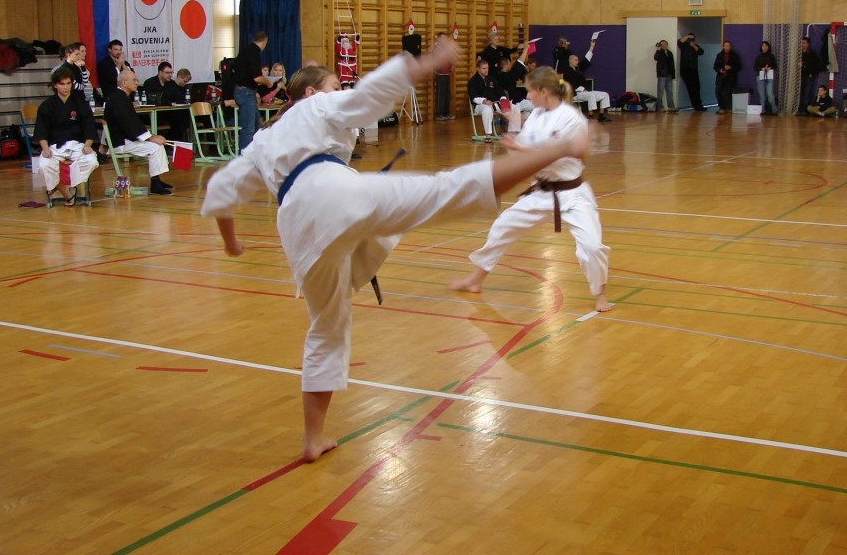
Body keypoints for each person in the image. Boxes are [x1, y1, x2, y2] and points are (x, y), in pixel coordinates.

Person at [199, 43, 591, 463]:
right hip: (332, 192)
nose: (338, 88)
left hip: (297, 224)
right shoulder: (313, 108)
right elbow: (366, 97)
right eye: (333, 85)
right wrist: (422, 65)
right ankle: (559, 150)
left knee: (326, 328)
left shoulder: (261, 142)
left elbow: (219, 191)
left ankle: (313, 438)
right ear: (313, 92)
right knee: (445, 190)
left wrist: (232, 243)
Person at [451, 66, 611, 312]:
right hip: (541, 191)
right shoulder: (536, 115)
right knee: (503, 227)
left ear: (544, 91)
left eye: (530, 92)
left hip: (573, 193)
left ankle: (600, 293)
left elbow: (560, 155)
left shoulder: (571, 117)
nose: (528, 97)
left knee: (591, 246)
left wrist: (523, 150)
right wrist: (513, 142)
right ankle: (476, 279)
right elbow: (526, 152)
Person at [34, 67, 99, 204]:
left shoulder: (80, 103)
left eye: (68, 83)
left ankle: (58, 186)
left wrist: (88, 145)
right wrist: (45, 148)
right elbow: (41, 129)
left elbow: (89, 126)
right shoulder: (47, 106)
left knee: (92, 161)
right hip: (55, 146)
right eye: (62, 84)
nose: (66, 87)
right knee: (44, 165)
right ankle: (65, 191)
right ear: (55, 85)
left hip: (78, 145)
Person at [104, 69, 174, 195]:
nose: (137, 83)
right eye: (134, 80)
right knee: (155, 147)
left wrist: (151, 136)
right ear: (124, 83)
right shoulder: (118, 99)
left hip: (125, 138)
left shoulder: (121, 97)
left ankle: (156, 179)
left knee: (157, 145)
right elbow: (129, 123)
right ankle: (155, 184)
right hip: (120, 142)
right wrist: (150, 137)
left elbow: (131, 123)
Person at [233, 31, 270, 151]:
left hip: (242, 91)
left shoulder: (244, 51)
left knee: (256, 125)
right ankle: (244, 158)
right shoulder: (254, 53)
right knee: (248, 128)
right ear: (264, 41)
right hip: (246, 92)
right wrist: (268, 82)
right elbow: (256, 77)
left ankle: (254, 153)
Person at [468, 59, 521, 140]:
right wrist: (484, 101)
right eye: (484, 68)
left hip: (496, 104)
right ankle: (488, 135)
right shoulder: (473, 81)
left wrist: (503, 99)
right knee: (487, 110)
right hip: (480, 106)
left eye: (487, 68)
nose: (486, 70)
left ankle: (513, 133)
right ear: (478, 69)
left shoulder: (491, 79)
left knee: (515, 108)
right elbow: (473, 97)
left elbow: (500, 91)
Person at [560, 40, 611, 121]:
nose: (577, 61)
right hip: (575, 93)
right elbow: (571, 84)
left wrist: (592, 47)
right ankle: (590, 115)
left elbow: (586, 59)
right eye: (575, 60)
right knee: (591, 95)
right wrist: (582, 89)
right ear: (570, 61)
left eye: (577, 60)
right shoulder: (567, 71)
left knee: (605, 95)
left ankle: (601, 115)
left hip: (585, 92)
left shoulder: (579, 68)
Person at [96, 39, 131, 104]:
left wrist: (123, 64)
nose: (119, 52)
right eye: (116, 49)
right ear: (109, 50)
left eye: (120, 49)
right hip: (111, 96)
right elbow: (114, 78)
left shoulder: (124, 62)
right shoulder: (104, 63)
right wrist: (119, 65)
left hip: (125, 96)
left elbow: (131, 76)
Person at [677, 33, 704, 111]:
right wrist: (687, 36)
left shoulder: (696, 46)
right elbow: (679, 42)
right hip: (685, 69)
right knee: (690, 88)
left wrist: (693, 45)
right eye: (689, 39)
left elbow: (701, 52)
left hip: (693, 69)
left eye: (692, 39)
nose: (690, 40)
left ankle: (698, 105)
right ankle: (696, 105)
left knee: (696, 87)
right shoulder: (683, 45)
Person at [712, 41, 741, 114]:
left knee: (727, 93)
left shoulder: (735, 55)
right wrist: (720, 70)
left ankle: (727, 108)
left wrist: (730, 67)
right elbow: (715, 66)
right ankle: (721, 107)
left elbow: (739, 66)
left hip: (730, 78)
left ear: (730, 47)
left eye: (728, 46)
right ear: (723, 46)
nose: (727, 47)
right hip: (720, 77)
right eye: (726, 46)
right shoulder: (719, 55)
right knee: (717, 91)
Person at [433, 33, 454, 121]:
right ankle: (439, 114)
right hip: (440, 74)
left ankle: (446, 112)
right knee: (440, 95)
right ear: (438, 39)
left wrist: (452, 65)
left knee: (447, 95)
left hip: (447, 73)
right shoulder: (436, 49)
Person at [797, 36, 820, 115]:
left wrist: (812, 73)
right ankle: (798, 109)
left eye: (804, 43)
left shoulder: (812, 54)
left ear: (808, 44)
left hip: (808, 76)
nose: (802, 44)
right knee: (799, 94)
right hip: (799, 76)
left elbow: (816, 65)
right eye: (801, 43)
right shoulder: (798, 53)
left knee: (807, 94)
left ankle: (805, 110)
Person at [754, 41, 778, 115]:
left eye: (766, 46)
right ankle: (763, 110)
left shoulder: (771, 56)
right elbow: (755, 67)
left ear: (768, 47)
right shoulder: (759, 57)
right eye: (763, 46)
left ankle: (774, 109)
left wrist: (770, 68)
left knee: (769, 93)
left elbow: (775, 66)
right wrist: (761, 69)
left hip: (769, 76)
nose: (764, 47)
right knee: (762, 95)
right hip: (760, 77)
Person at [654, 40, 677, 113]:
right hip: (662, 74)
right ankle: (660, 107)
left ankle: (671, 107)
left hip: (669, 74)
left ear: (667, 45)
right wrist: (657, 50)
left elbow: (672, 64)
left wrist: (673, 74)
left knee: (669, 91)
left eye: (664, 44)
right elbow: (656, 58)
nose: (663, 45)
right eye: (662, 44)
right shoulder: (659, 53)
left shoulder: (670, 53)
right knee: (660, 91)